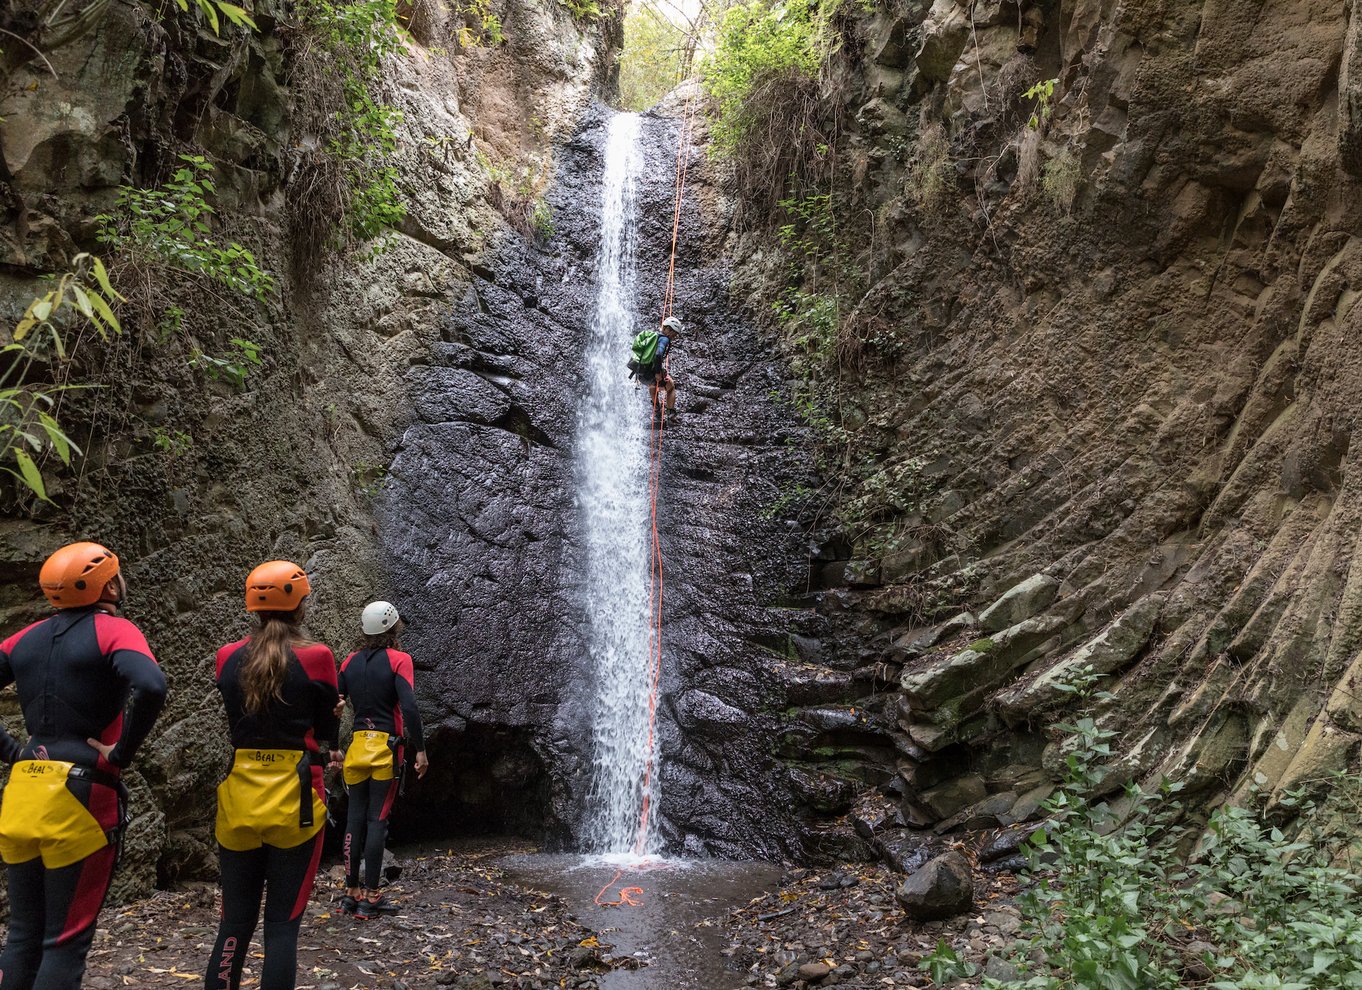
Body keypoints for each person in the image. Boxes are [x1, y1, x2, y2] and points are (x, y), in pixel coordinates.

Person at [0, 541, 167, 989]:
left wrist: (13, 751)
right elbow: (151, 686)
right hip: (82, 794)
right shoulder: (114, 630)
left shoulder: (24, 638)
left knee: (22, 935)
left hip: (23, 791)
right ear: (109, 583)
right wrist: (121, 753)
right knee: (65, 941)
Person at [205, 560, 339, 990]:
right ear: (301, 604)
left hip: (239, 795)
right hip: (295, 798)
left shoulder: (227, 657)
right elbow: (325, 730)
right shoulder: (318, 658)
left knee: (234, 923)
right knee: (281, 927)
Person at [336, 601, 428, 920]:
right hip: (386, 750)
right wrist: (420, 749)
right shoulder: (399, 660)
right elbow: (411, 708)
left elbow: (335, 704)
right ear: (393, 629)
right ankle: (372, 898)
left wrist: (333, 747)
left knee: (353, 819)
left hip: (357, 747)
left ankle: (350, 893)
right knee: (378, 820)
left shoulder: (348, 662)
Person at [629, 315, 681, 415]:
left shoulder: (653, 337)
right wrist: (657, 372)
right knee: (671, 387)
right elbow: (658, 354)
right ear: (668, 329)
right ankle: (671, 414)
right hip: (650, 374)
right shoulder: (664, 339)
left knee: (652, 386)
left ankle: (656, 408)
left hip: (641, 374)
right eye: (673, 335)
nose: (673, 338)